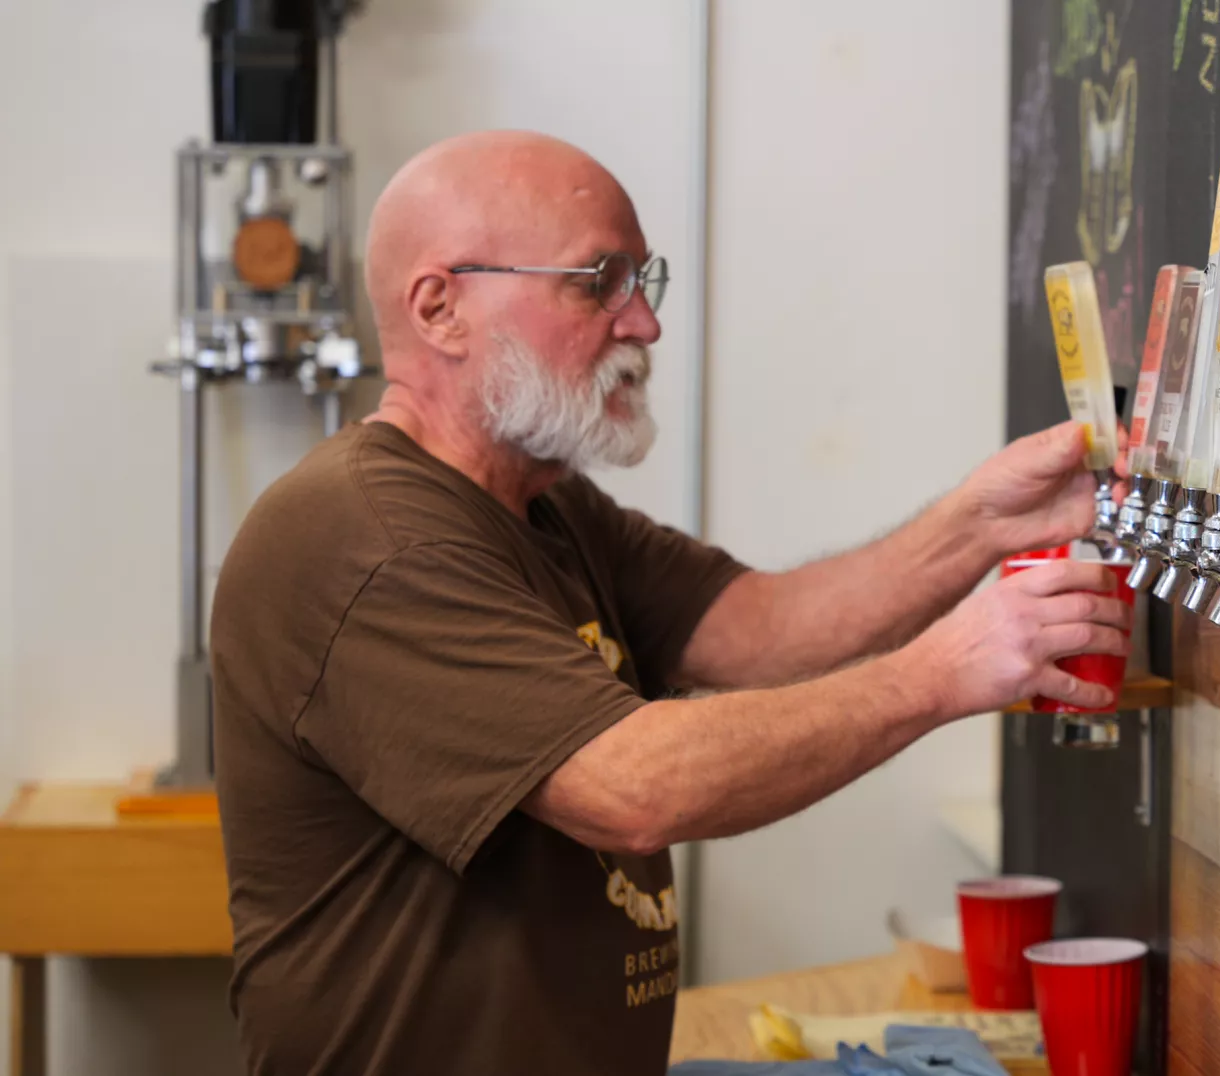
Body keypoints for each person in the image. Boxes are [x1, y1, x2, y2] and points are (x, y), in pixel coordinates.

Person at [208, 130, 1130, 1076]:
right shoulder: (368, 537)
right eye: (598, 282)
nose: (644, 324)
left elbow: (764, 629)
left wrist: (979, 524)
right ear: (441, 309)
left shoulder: (546, 506)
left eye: (643, 281)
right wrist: (945, 672)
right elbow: (631, 786)